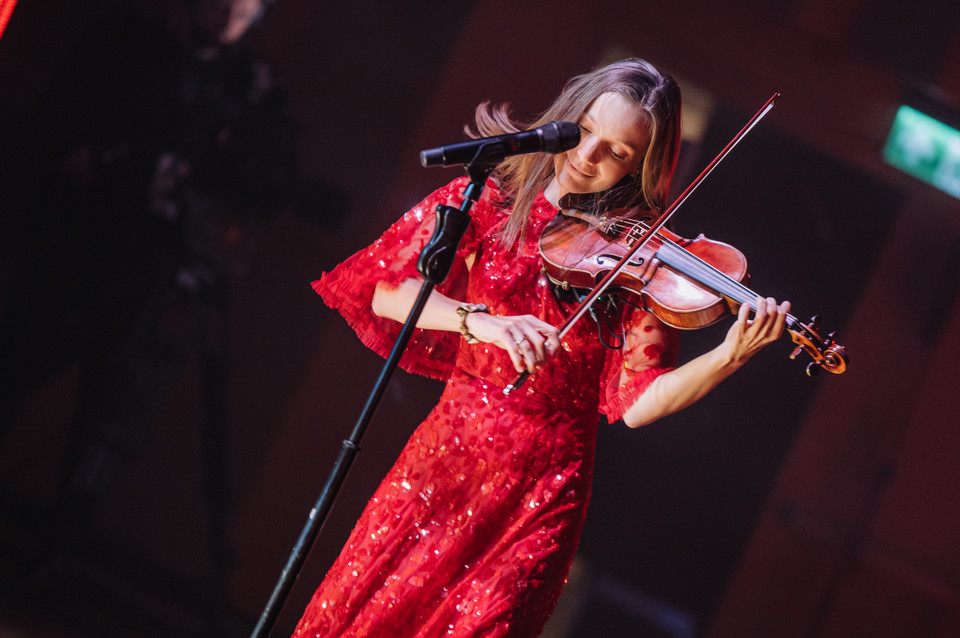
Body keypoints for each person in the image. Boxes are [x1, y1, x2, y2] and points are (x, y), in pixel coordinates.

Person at [294, 58, 789, 637]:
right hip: (448, 456)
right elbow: (387, 290)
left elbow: (638, 403)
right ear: (566, 115)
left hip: (545, 486)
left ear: (642, 167)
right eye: (586, 131)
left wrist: (729, 354)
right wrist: (483, 323)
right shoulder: (492, 198)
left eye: (619, 152)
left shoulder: (636, 261)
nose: (589, 156)